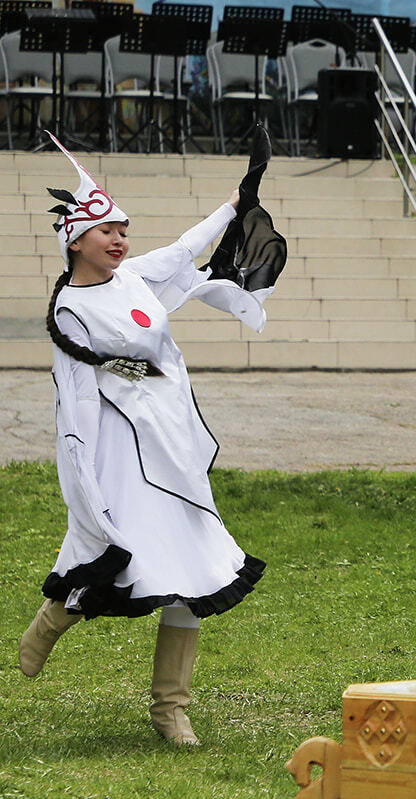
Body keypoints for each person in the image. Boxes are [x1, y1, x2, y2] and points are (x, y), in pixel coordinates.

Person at [18, 133, 283, 746]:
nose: (119, 241)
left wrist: (234, 205)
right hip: (118, 452)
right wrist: (84, 483)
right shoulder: (70, 312)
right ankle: (54, 617)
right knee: (119, 556)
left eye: (123, 230)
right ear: (74, 241)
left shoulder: (133, 277)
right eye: (107, 231)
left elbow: (183, 251)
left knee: (193, 564)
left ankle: (171, 708)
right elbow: (84, 398)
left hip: (170, 445)